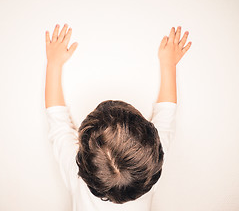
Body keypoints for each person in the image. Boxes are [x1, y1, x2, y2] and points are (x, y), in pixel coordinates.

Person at [44, 24, 192, 211]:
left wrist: (54, 64)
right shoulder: (149, 164)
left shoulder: (77, 176)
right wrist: (169, 64)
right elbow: (166, 113)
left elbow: (58, 121)